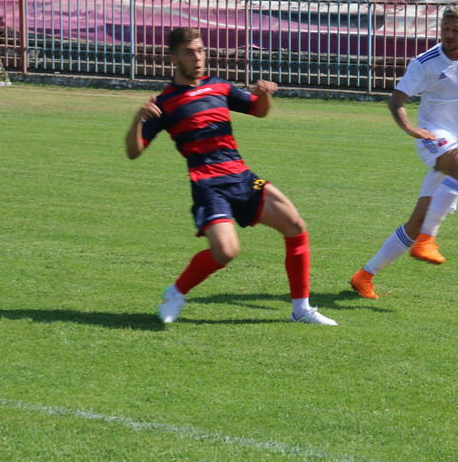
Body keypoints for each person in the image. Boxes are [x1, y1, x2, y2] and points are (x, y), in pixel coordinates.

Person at [125, 27, 336, 325]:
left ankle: (301, 309)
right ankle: (175, 292)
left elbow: (258, 110)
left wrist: (264, 94)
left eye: (200, 50)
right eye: (189, 52)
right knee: (226, 251)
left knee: (295, 225)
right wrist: (137, 120)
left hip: (242, 178)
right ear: (173, 58)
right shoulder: (164, 103)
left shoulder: (219, 86)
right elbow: (133, 151)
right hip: (208, 186)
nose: (198, 58)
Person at [349, 2, 458, 299]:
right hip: (433, 136)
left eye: (456, 29)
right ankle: (427, 240)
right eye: (445, 28)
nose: (449, 34)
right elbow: (397, 99)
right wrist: (408, 127)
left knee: (417, 220)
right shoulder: (425, 62)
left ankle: (364, 275)